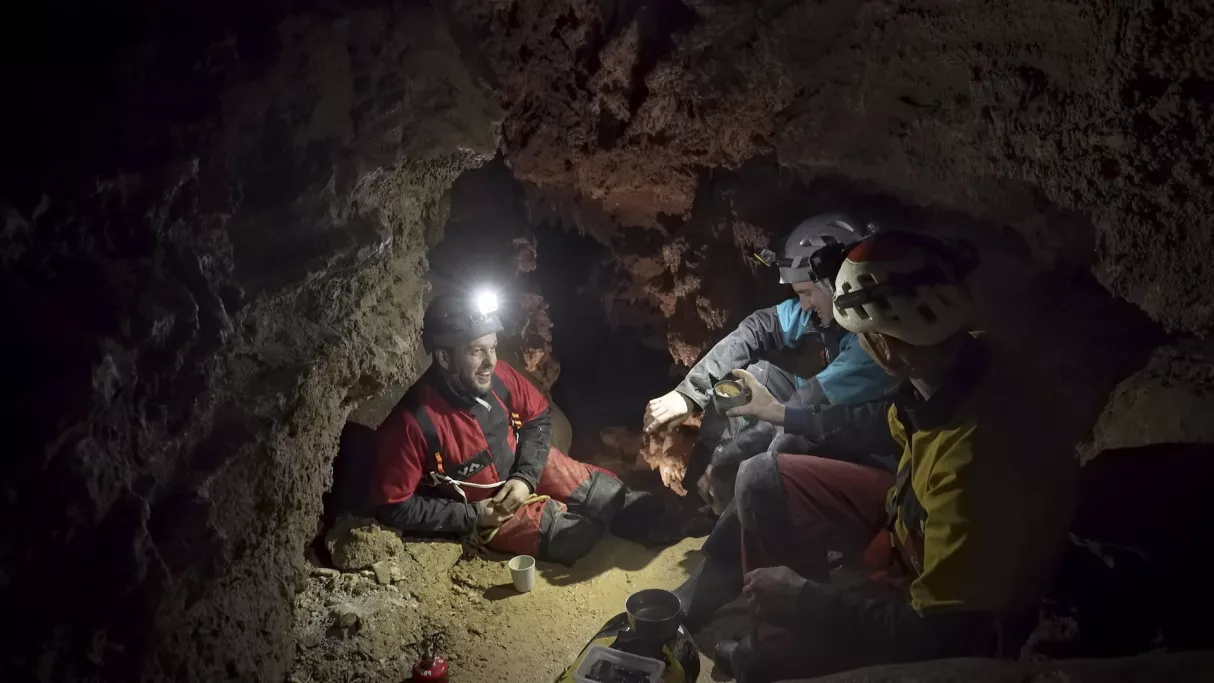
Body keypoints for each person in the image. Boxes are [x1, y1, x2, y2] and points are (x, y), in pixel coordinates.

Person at [710, 231, 1078, 681]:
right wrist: (780, 414)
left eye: (862, 338)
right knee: (762, 478)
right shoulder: (960, 361)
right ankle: (781, 640)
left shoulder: (974, 461)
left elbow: (942, 634)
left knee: (763, 669)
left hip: (957, 614)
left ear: (883, 348)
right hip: (915, 517)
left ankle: (779, 655)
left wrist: (806, 599)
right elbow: (880, 421)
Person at [373, 292, 698, 565]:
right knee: (573, 537)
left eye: (493, 346)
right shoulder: (414, 424)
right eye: (476, 351)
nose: (490, 361)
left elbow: (537, 417)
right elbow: (394, 505)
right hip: (488, 508)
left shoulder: (498, 376)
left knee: (607, 494)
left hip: (522, 465)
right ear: (444, 358)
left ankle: (670, 522)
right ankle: (582, 526)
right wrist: (472, 517)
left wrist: (524, 476)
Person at [642, 212, 901, 512]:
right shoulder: (826, 313)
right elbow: (759, 328)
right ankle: (702, 492)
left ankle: (740, 511)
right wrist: (689, 395)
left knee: (777, 448)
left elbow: (803, 407)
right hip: (820, 410)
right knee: (741, 383)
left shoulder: (871, 343)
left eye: (806, 293)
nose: (803, 304)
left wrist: (730, 460)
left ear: (836, 282)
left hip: (865, 446)